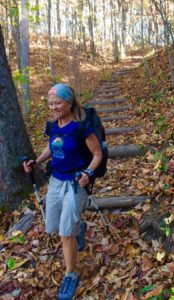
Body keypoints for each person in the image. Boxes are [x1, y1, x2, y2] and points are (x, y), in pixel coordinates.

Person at [23, 83, 103, 300]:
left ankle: (71, 274)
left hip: (76, 183)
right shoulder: (53, 125)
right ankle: (79, 227)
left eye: (58, 103)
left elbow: (97, 154)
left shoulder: (81, 127)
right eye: (51, 104)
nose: (54, 107)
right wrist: (37, 161)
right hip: (56, 181)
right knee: (54, 225)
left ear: (69, 102)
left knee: (65, 233)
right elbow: (53, 146)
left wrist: (88, 172)